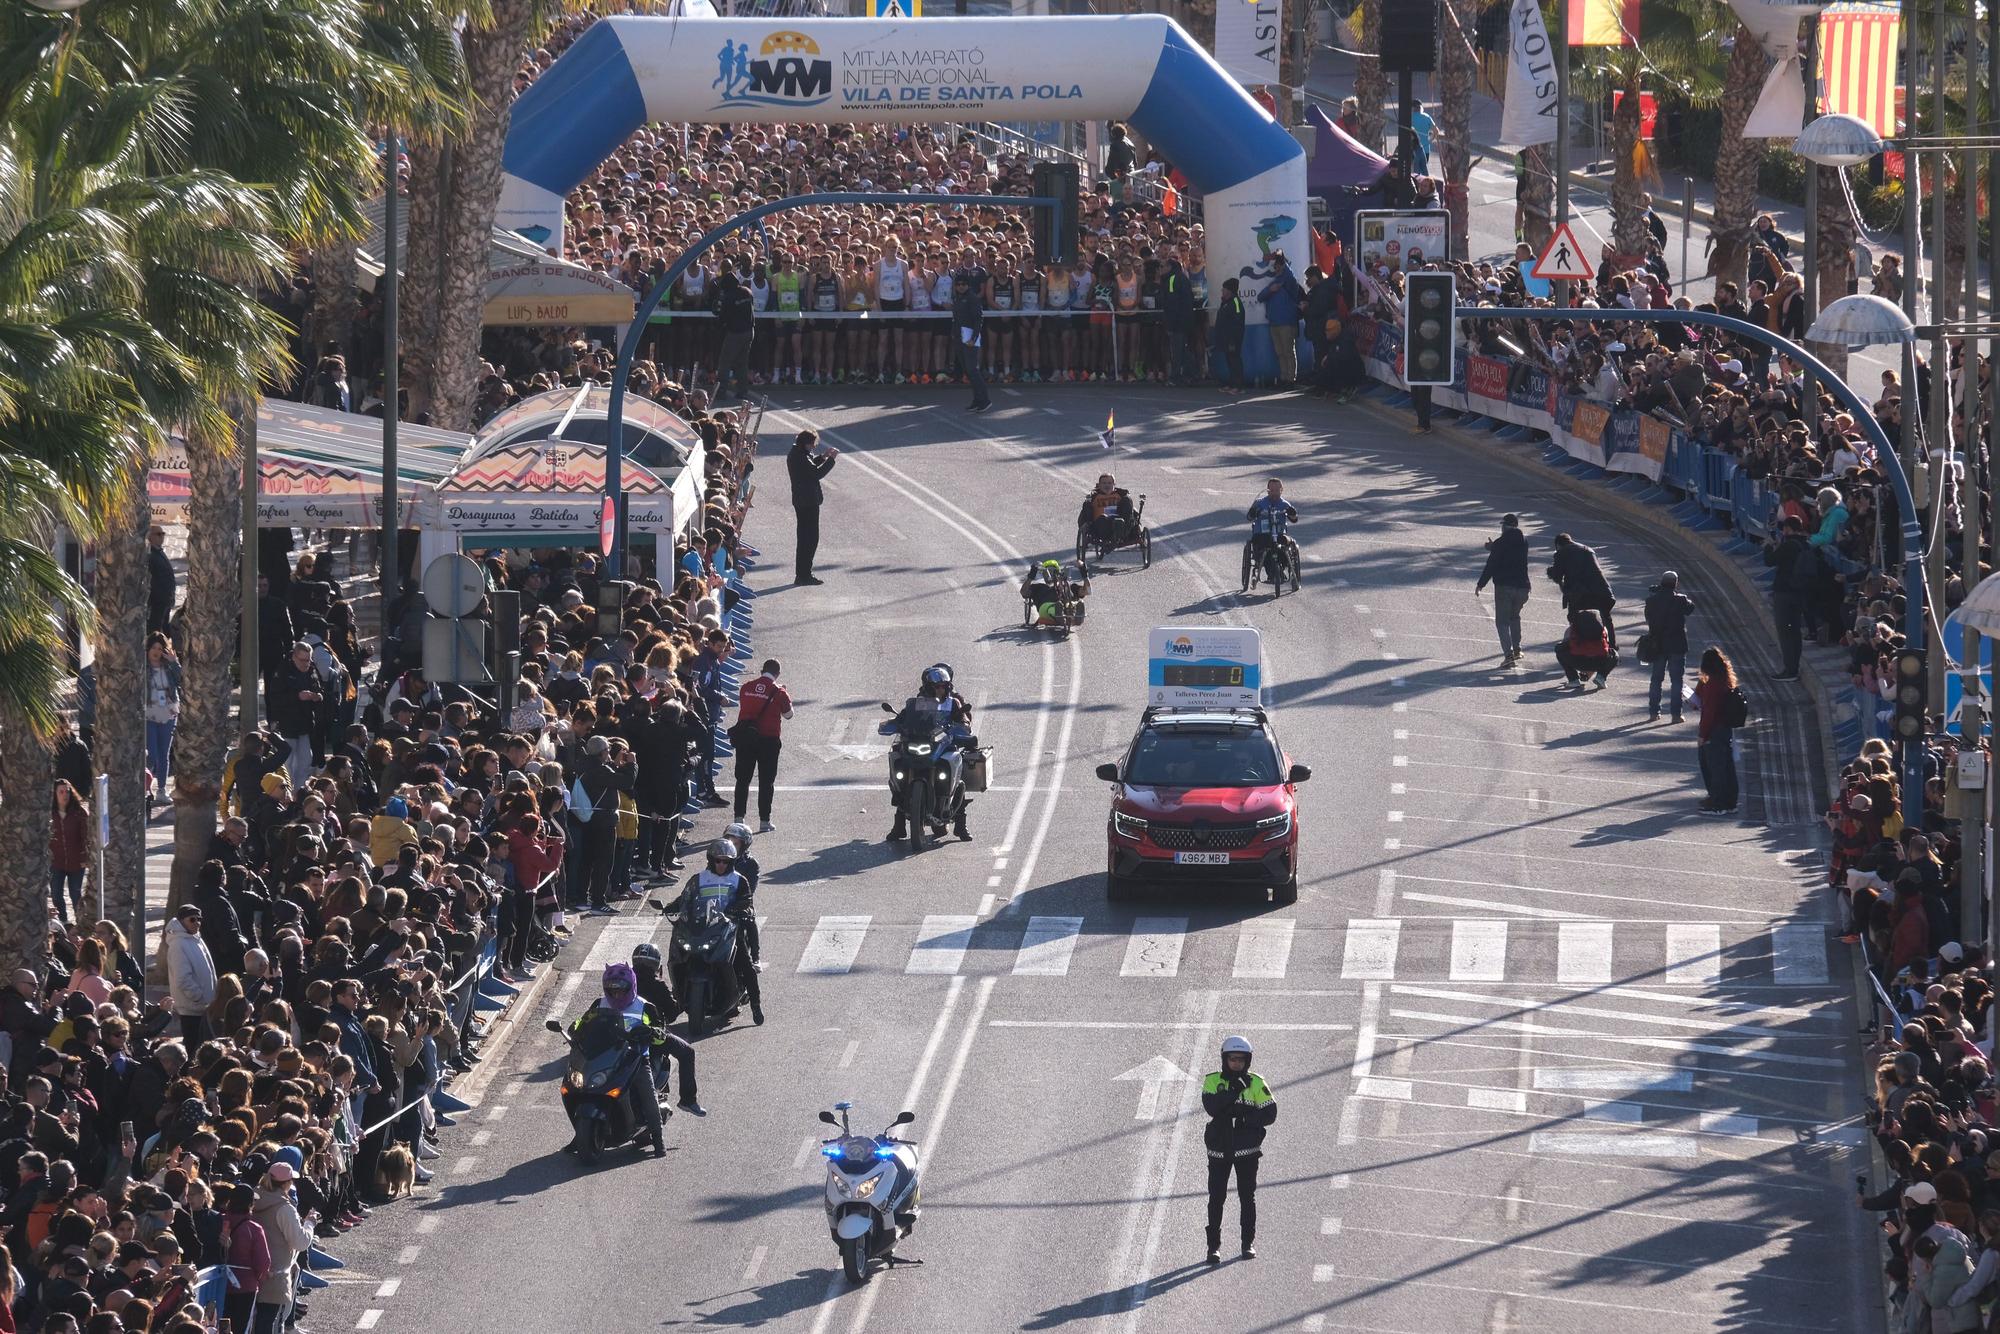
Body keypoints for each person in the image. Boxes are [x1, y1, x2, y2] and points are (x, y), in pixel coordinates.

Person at [570, 963, 670, 1156]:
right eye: (612, 991)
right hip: (605, 1056)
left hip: (635, 1059)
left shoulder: (645, 1007)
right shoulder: (599, 1004)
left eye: (620, 991)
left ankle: (658, 1138)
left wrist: (651, 1031)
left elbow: (660, 1034)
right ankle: (579, 1136)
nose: (616, 995)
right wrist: (575, 1029)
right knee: (577, 1086)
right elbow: (584, 1022)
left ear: (630, 987)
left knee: (648, 1094)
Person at [1200, 1035, 1276, 1265]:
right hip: (1219, 1150)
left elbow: (1270, 1114)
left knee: (1247, 1197)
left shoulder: (1257, 1082)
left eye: (1241, 1060)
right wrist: (1234, 1092)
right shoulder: (1212, 1081)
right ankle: (1213, 1248)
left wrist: (1241, 1115)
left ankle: (1247, 1243)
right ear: (1225, 1059)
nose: (1236, 1064)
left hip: (1247, 1151)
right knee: (1216, 1198)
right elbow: (1212, 1107)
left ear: (1248, 1060)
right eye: (1232, 1059)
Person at [670, 840, 764, 1026]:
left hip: (728, 929)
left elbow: (746, 900)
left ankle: (755, 1004)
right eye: (718, 861)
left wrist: (736, 910)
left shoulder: (739, 880)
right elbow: (686, 897)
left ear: (731, 862)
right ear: (710, 860)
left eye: (725, 862)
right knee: (678, 955)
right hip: (702, 928)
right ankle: (678, 997)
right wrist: (671, 907)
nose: (721, 865)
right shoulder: (698, 879)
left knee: (745, 964)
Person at [881, 666, 974, 843]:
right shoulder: (918, 702)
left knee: (956, 763)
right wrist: (894, 723)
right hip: (921, 742)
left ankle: (961, 824)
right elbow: (905, 717)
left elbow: (963, 720)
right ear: (929, 687)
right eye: (938, 686)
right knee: (898, 759)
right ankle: (899, 824)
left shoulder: (953, 703)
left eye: (944, 686)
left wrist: (963, 724)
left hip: (943, 745)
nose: (941, 689)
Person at [630, 943, 705, 1114]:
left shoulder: (625, 980)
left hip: (622, 1033)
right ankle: (688, 1100)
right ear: (656, 965)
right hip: (651, 1035)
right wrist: (680, 1002)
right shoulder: (657, 985)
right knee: (687, 1053)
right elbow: (671, 1015)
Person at [733, 658, 793, 833]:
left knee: (742, 780)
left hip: (746, 738)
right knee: (766, 781)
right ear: (778, 674)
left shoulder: (746, 687)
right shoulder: (780, 692)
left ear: (761, 670)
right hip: (769, 740)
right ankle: (764, 821)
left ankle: (738, 818)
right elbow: (788, 715)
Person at [1474, 513, 1531, 667]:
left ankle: (1508, 656)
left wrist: (1481, 583)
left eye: (1502, 525)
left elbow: (1492, 564)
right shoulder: (1524, 541)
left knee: (1502, 622)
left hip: (1505, 586)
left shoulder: (1501, 542)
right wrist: (1494, 547)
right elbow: (1510, 551)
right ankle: (1518, 649)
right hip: (1523, 587)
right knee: (1515, 617)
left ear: (1505, 526)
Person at [1763, 516, 1816, 681]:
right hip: (1800, 593)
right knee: (1795, 632)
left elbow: (1769, 560)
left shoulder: (1788, 545)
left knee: (1784, 632)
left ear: (1787, 529)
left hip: (1784, 593)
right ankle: (1795, 666)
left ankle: (1789, 670)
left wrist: (1768, 546)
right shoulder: (1805, 544)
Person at [1546, 532, 1618, 650]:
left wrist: (1551, 572)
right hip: (1603, 591)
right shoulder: (1588, 550)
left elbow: (1557, 576)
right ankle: (1612, 648)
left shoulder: (1562, 552)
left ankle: (1578, 646)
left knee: (1574, 617)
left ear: (1558, 545)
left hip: (1581, 595)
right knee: (1606, 618)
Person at [1641, 570, 1695, 722]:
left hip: (1657, 645)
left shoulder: (1651, 601)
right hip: (1677, 645)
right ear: (1676, 584)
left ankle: (1653, 712)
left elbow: (1648, 618)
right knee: (1677, 680)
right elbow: (1691, 608)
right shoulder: (1681, 600)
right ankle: (1676, 714)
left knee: (1656, 679)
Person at [787, 428, 838, 587]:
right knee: (809, 539)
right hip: (807, 502)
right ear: (805, 443)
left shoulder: (798, 453)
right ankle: (804, 574)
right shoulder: (799, 456)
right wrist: (831, 460)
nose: (813, 447)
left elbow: (810, 466)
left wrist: (823, 457)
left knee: (806, 538)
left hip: (804, 501)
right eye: (812, 444)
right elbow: (815, 474)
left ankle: (803, 574)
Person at [1695, 647, 1743, 815]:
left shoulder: (1712, 686)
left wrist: (1702, 735)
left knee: (1715, 768)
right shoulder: (1724, 680)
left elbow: (1708, 713)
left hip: (1714, 731)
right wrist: (1702, 681)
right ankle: (1730, 801)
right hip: (1725, 730)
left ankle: (1718, 803)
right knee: (1726, 767)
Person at [161, 903, 216, 1048]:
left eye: (199, 919)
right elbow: (183, 978)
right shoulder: (179, 944)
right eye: (192, 919)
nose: (197, 923)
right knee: (193, 1047)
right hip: (192, 1008)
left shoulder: (195, 939)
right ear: (181, 921)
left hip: (202, 1007)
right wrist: (199, 997)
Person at [143, 632, 182, 804]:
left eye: (160, 648)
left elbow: (182, 680)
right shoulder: (143, 667)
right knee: (151, 753)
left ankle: (161, 789)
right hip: (148, 714)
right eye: (154, 648)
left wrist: (174, 662)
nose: (157, 652)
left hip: (168, 713)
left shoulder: (168, 666)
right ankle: (146, 786)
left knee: (164, 754)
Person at [950, 250, 991, 412]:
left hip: (969, 336)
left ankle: (985, 399)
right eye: (958, 284)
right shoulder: (958, 298)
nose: (961, 287)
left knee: (973, 369)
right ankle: (977, 399)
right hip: (960, 335)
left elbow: (978, 319)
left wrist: (974, 337)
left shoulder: (973, 298)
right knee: (968, 370)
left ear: (968, 285)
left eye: (963, 284)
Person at [1256, 251, 1304, 385]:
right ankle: (1284, 377)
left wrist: (1279, 257)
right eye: (1275, 267)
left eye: (1278, 266)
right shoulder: (1274, 284)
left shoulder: (1290, 282)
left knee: (1288, 351)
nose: (1276, 269)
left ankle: (1291, 378)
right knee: (1280, 352)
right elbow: (1260, 297)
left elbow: (1288, 273)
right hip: (1274, 323)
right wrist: (1271, 290)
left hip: (1287, 322)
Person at [48, 781, 89, 928]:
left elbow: (87, 836)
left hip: (76, 862)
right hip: (56, 862)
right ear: (54, 794)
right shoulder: (49, 813)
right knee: (56, 894)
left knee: (76, 894)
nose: (65, 795)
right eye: (61, 792)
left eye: (67, 792)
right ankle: (64, 921)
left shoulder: (79, 813)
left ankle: (80, 923)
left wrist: (85, 857)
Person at [1244, 478, 1297, 591]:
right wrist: (1253, 512)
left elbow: (1294, 519)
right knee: (1265, 547)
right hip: (1262, 535)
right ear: (1268, 491)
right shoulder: (1260, 503)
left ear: (1281, 490)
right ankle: (1272, 572)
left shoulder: (1284, 504)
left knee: (1285, 545)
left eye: (1277, 490)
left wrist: (1292, 514)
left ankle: (1283, 569)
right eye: (1271, 490)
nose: (1274, 493)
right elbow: (1249, 517)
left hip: (1279, 535)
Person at [1555, 607, 1616, 690]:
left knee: (1559, 649)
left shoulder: (1572, 630)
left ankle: (1573, 679)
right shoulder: (1603, 630)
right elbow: (1606, 647)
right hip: (1598, 662)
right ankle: (1601, 677)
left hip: (1577, 661)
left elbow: (1565, 645)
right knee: (1614, 654)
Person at [1078, 474, 1136, 547]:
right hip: (1100, 525)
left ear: (1114, 484)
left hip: (1120, 524)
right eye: (1104, 483)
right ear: (1099, 485)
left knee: (1120, 518)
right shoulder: (1094, 497)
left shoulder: (1121, 496)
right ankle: (1111, 539)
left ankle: (1117, 537)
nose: (1107, 486)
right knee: (1103, 518)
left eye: (1109, 483)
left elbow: (1129, 512)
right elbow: (1084, 515)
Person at [1215, 278, 1246, 393]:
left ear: (1230, 290)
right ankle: (1232, 383)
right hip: (1226, 338)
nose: (1222, 290)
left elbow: (1237, 323)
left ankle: (1238, 386)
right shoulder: (1226, 302)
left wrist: (1233, 340)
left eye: (1224, 288)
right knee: (1229, 360)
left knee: (1235, 360)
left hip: (1233, 339)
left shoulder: (1236, 303)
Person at [146, 526, 175, 636]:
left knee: (164, 629)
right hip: (157, 602)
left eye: (163, 534)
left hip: (165, 601)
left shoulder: (159, 552)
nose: (161, 537)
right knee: (155, 630)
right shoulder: (151, 554)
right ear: (150, 537)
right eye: (158, 534)